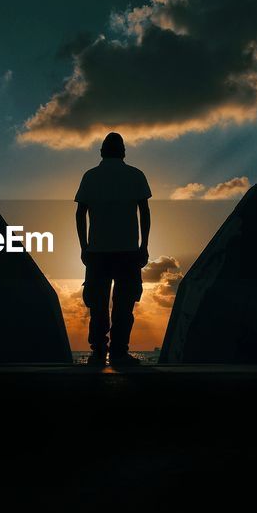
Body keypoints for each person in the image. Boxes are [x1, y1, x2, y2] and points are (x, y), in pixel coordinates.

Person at [75, 132, 151, 368]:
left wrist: (84, 247)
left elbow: (80, 214)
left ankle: (99, 353)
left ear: (101, 152)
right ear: (124, 152)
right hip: (128, 251)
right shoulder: (136, 175)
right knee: (124, 305)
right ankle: (119, 353)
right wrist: (144, 245)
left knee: (97, 305)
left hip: (98, 251)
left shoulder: (90, 176)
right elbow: (145, 213)